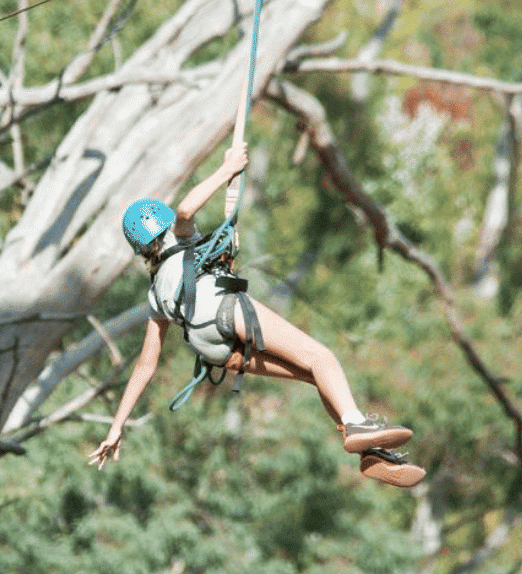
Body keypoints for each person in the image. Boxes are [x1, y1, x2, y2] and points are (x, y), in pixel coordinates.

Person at [87, 144, 425, 488]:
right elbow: (186, 210)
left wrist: (116, 427)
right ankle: (355, 424)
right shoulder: (180, 237)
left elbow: (146, 365)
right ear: (162, 225)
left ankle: (369, 452)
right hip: (220, 308)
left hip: (213, 350)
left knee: (314, 373)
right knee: (321, 357)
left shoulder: (155, 291)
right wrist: (227, 169)